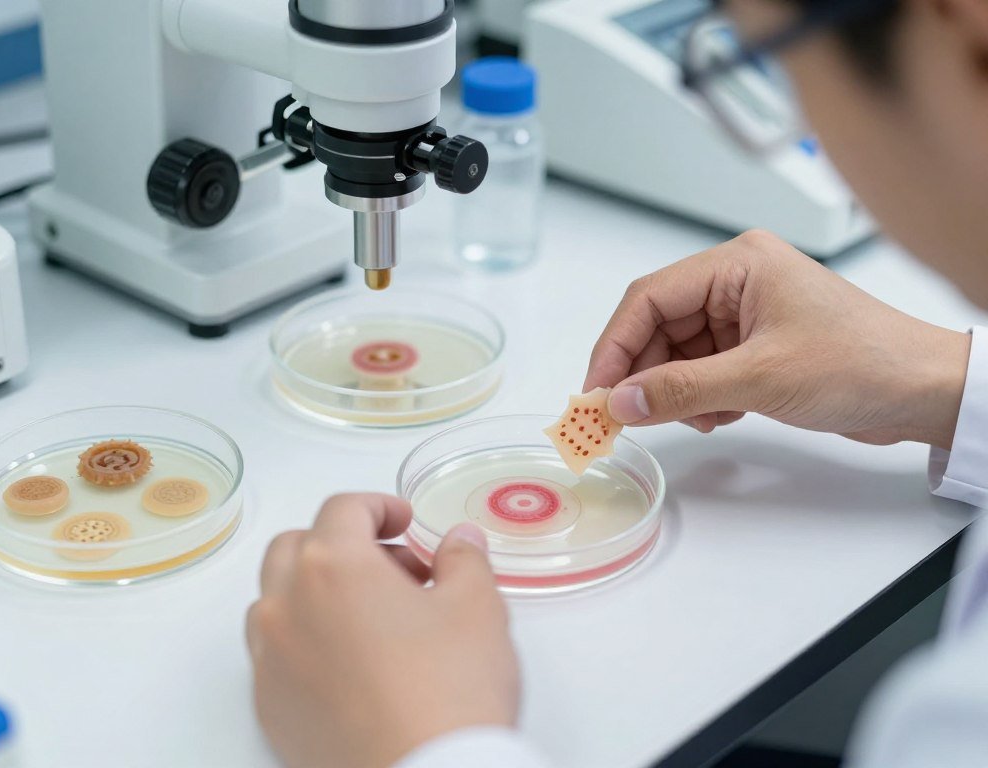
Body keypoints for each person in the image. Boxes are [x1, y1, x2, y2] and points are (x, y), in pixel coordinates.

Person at [245, 0, 988, 765]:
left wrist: (416, 737)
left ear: (964, 30)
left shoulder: (960, 717)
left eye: (770, 63)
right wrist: (950, 384)